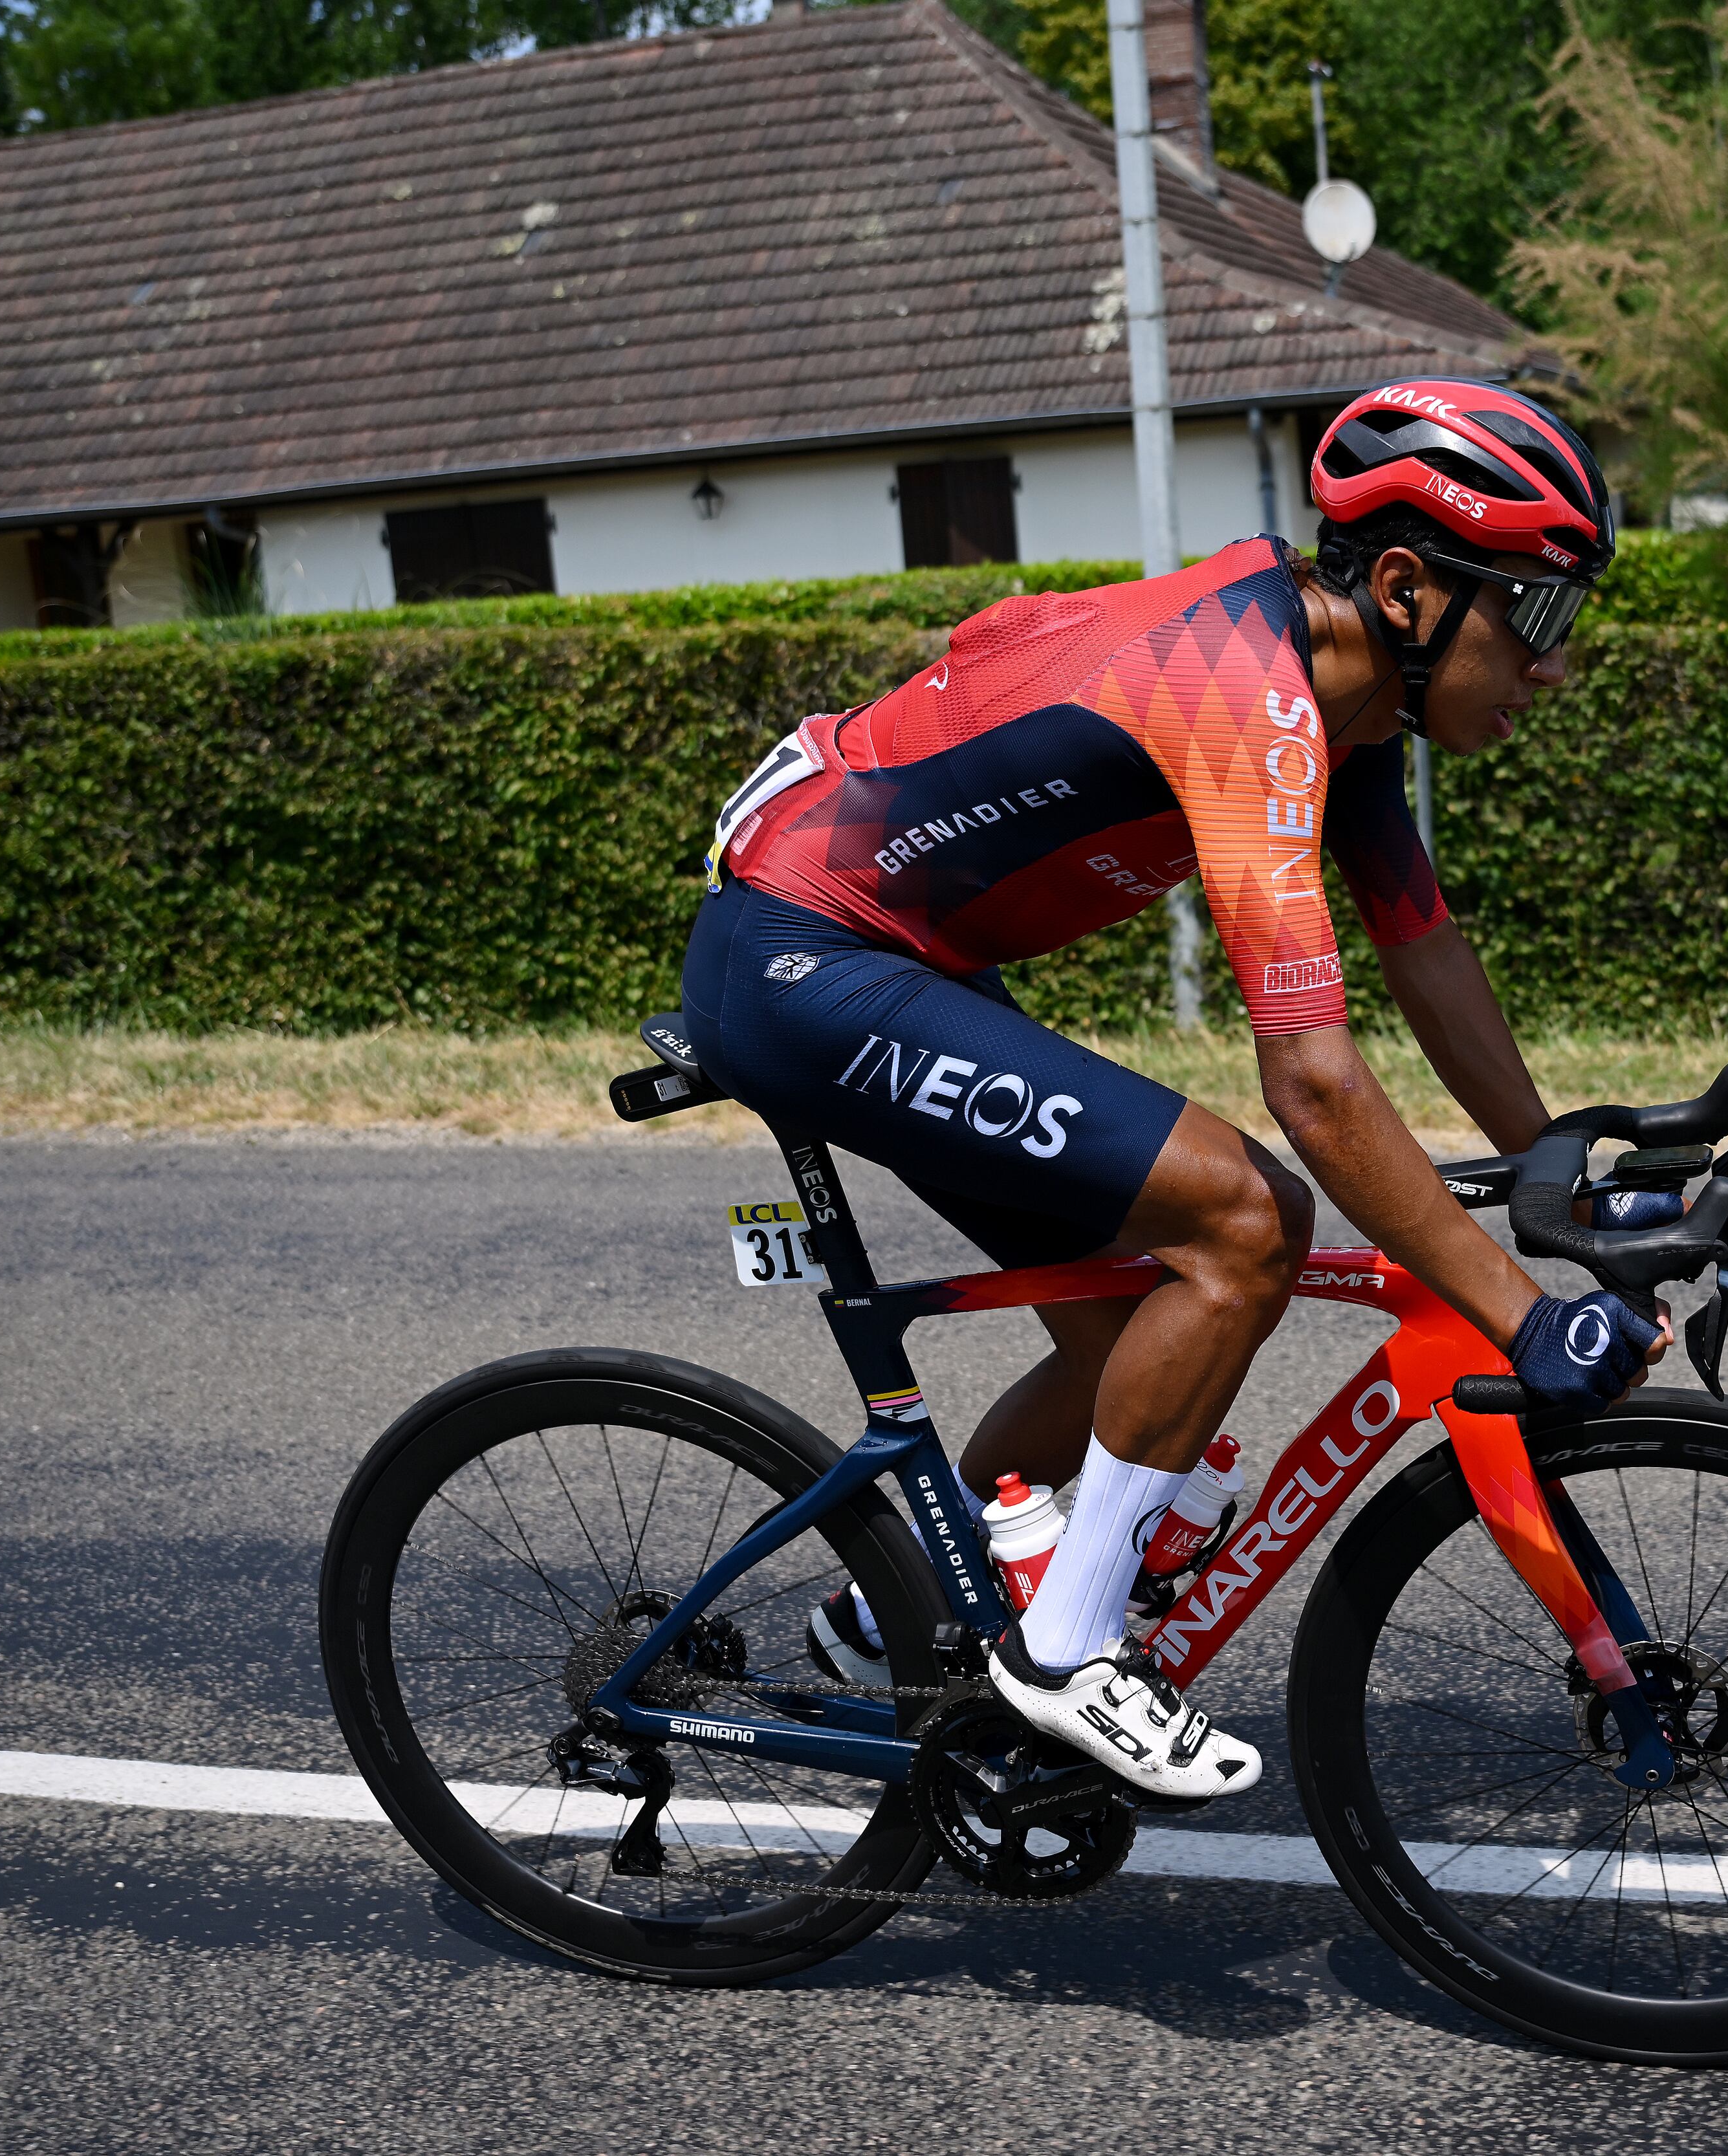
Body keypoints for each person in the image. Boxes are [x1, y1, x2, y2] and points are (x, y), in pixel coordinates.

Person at [677, 379, 1667, 1803]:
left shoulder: (1352, 698)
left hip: (896, 948)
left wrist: (1555, 1170)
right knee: (1245, 1215)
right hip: (802, 954)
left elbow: (1424, 949)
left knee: (1132, 1339)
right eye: (1540, 615)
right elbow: (1315, 1087)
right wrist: (1525, 1312)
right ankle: (1064, 1652)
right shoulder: (1249, 696)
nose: (1554, 666)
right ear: (1407, 586)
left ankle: (892, 1622)